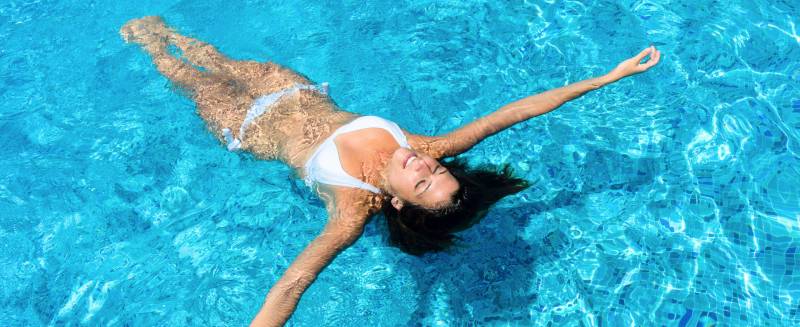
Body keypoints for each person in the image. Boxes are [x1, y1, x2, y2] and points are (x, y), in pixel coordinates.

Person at [120, 16, 661, 326]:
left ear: (399, 203)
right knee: (217, 59)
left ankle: (150, 45)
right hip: (291, 88)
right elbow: (513, 113)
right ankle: (166, 29)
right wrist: (605, 78)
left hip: (248, 127)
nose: (423, 163)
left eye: (422, 181)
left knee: (190, 79)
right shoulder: (424, 144)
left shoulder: (352, 208)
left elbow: (295, 282)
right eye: (437, 169)